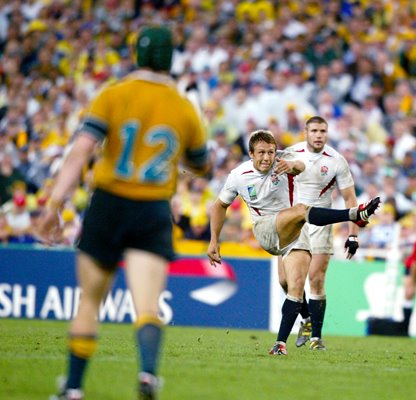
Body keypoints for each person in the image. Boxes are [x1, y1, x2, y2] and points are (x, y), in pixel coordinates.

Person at [38, 26, 211, 400]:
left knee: (89, 301)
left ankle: (72, 389)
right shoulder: (184, 107)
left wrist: (55, 205)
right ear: (171, 59)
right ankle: (147, 375)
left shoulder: (113, 95)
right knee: (147, 306)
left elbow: (80, 152)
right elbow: (201, 164)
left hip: (109, 203)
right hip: (152, 209)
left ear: (138, 54)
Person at [207, 129, 380, 356]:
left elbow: (300, 166)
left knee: (293, 286)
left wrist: (292, 167)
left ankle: (282, 342)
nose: (267, 158)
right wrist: (213, 241)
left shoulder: (284, 161)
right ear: (251, 154)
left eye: (270, 152)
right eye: (261, 153)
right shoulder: (238, 175)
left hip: (294, 230)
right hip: (266, 230)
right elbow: (219, 205)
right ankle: (353, 214)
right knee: (300, 210)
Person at [282, 116, 361, 351]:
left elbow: (350, 199)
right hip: (293, 222)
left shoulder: (337, 160)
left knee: (315, 279)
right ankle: (305, 318)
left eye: (323, 131)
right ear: (305, 132)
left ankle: (316, 338)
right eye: (314, 130)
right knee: (285, 281)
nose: (319, 135)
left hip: (320, 223)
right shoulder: (290, 154)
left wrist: (353, 234)